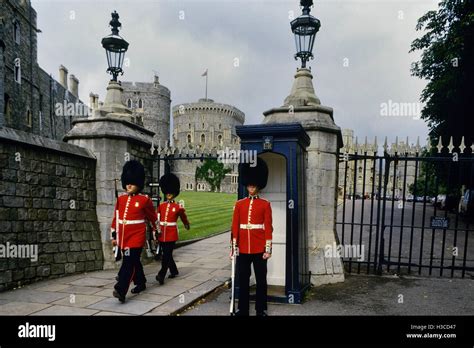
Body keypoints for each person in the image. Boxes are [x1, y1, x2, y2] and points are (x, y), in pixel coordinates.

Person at [110, 160, 158, 303]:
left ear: (138, 182)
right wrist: (114, 236)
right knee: (134, 261)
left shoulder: (144, 200)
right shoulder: (121, 199)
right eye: (127, 182)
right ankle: (141, 282)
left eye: (132, 182)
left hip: (136, 237)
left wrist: (157, 232)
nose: (129, 185)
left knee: (128, 262)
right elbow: (116, 218)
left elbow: (152, 218)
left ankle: (121, 289)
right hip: (124, 237)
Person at [230, 157, 272, 316]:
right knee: (243, 279)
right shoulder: (240, 204)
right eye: (249, 183)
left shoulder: (265, 204)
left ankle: (261, 310)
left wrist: (268, 249)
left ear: (258, 184)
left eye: (253, 183)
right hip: (243, 248)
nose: (251, 186)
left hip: (259, 248)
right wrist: (234, 247)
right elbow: (234, 227)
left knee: (261, 280)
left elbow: (268, 228)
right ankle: (243, 309)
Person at [156, 173, 190, 285]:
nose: (169, 194)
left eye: (171, 192)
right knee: (167, 254)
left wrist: (186, 224)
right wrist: (156, 231)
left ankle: (161, 275)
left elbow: (183, 217)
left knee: (166, 254)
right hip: (162, 233)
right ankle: (174, 271)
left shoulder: (178, 207)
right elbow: (157, 219)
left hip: (171, 234)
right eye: (167, 192)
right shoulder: (161, 206)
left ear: (174, 193)